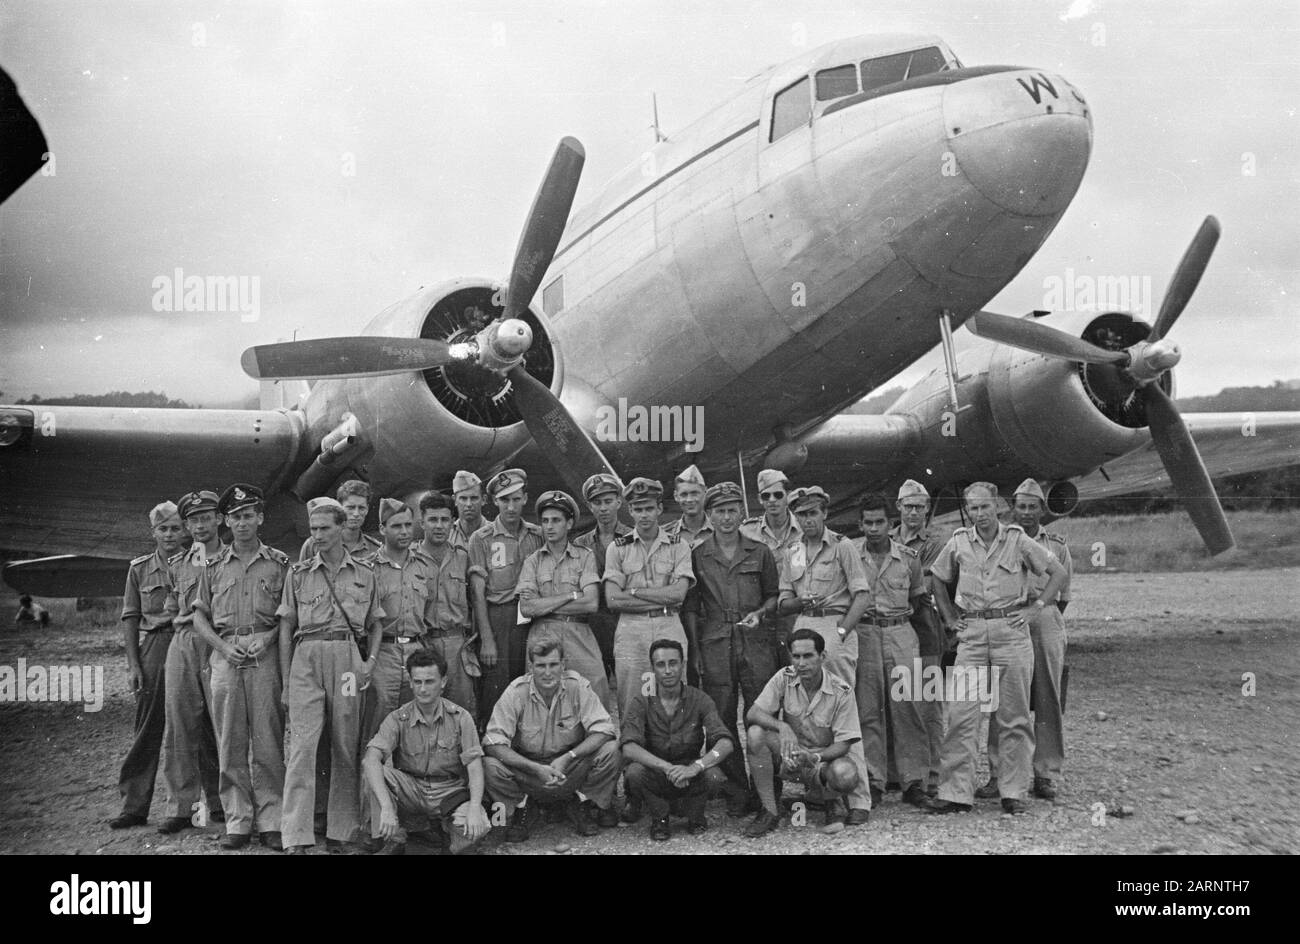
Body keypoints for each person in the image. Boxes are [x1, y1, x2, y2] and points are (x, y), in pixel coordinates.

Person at [925, 482, 1068, 815]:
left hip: (1010, 632)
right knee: (962, 715)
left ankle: (1013, 791)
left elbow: (1057, 573)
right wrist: (948, 617)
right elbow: (937, 578)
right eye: (973, 508)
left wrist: (1036, 607)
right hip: (972, 634)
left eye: (985, 507)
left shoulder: (1018, 539)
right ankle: (955, 793)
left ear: (998, 507)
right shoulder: (959, 541)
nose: (980, 515)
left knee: (1013, 715)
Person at [277, 496, 385, 853]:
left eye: (325, 528)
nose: (318, 535)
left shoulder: (365, 573)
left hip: (347, 659)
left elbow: (376, 624)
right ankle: (296, 835)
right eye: (314, 529)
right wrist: (283, 678)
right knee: (302, 748)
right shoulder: (297, 573)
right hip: (306, 657)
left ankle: (342, 830)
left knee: (345, 744)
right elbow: (286, 627)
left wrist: (368, 664)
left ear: (342, 528)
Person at [190, 484, 290, 850]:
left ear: (260, 518)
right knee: (230, 742)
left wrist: (268, 638)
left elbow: (288, 615)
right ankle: (238, 820)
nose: (242, 522)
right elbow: (199, 618)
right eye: (236, 516)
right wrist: (221, 646)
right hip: (226, 654)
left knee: (267, 740)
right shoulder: (212, 565)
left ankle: (272, 819)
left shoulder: (279, 563)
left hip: (263, 653)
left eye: (249, 515)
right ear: (226, 522)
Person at [682, 480, 779, 814]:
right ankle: (738, 792)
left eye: (731, 510)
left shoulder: (759, 551)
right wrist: (695, 651)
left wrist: (760, 613)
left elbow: (773, 595)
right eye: (719, 511)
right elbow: (692, 608)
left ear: (742, 512)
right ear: (709, 515)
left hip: (755, 644)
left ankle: (769, 794)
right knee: (721, 720)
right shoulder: (698, 555)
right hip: (715, 643)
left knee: (762, 717)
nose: (726, 517)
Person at [978, 479, 1073, 801]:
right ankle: (998, 772)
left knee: (1048, 698)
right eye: (1022, 506)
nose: (1027, 513)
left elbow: (1063, 593)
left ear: (1042, 510)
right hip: (1006, 620)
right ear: (1012, 509)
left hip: (1043, 620)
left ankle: (1046, 772)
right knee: (1002, 700)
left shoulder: (1057, 545)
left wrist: (1037, 610)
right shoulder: (1001, 540)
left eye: (1034, 507)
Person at [482, 630, 621, 840]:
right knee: (490, 765)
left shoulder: (577, 686)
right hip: (530, 771)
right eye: (541, 665)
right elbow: (492, 743)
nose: (548, 672)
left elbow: (604, 729)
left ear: (563, 665)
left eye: (553, 665)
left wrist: (569, 757)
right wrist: (535, 768)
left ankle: (582, 801)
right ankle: (523, 806)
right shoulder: (515, 692)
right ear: (531, 668)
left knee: (612, 750)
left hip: (569, 768)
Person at [362, 648, 491, 855]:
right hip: (412, 789)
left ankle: (444, 842)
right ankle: (396, 840)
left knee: (478, 827)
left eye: (429, 681)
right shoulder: (398, 718)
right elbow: (371, 760)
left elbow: (474, 766)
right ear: (411, 683)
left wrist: (475, 807)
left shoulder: (460, 717)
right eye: (418, 682)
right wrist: (386, 807)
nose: (423, 689)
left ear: (443, 682)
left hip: (449, 791)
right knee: (374, 772)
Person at [743, 628, 871, 836]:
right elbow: (753, 713)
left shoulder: (842, 691)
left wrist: (814, 757)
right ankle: (769, 809)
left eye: (808, 656)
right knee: (755, 733)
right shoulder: (784, 677)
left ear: (823, 657)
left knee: (845, 773)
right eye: (796, 656)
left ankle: (831, 800)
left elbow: (844, 743)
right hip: (790, 755)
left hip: (821, 761)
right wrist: (782, 726)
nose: (801, 663)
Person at [852, 491, 933, 808]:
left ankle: (914, 782)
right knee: (868, 709)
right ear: (860, 524)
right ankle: (873, 780)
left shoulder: (908, 558)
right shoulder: (851, 555)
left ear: (890, 523)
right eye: (868, 522)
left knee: (908, 708)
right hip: (866, 634)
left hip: (900, 633)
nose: (873, 528)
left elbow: (919, 602)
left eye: (879, 522)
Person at [109, 501, 183, 829]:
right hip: (155, 645)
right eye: (163, 529)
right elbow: (130, 616)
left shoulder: (198, 563)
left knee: (201, 724)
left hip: (191, 640)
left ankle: (215, 804)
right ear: (152, 532)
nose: (169, 535)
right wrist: (134, 665)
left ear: (184, 530)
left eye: (175, 528)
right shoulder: (139, 568)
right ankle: (134, 806)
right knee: (148, 726)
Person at [156, 489, 225, 835]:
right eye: (193, 520)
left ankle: (225, 802)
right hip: (184, 642)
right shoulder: (177, 564)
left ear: (219, 519)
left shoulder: (231, 558)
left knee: (225, 727)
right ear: (186, 525)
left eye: (206, 517)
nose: (200, 525)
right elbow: (172, 606)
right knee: (180, 725)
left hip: (219, 642)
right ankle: (181, 806)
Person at [620, 639, 733, 841]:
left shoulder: (700, 699)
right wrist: (665, 767)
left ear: (682, 664)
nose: (668, 670)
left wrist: (696, 767)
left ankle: (695, 814)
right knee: (634, 773)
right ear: (653, 669)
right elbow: (628, 747)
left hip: (690, 772)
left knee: (714, 775)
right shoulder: (641, 701)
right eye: (661, 665)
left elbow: (725, 743)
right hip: (656, 772)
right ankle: (660, 818)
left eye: (673, 663)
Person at [604, 477, 694, 717]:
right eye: (638, 509)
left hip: (669, 624)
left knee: (673, 691)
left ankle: (674, 751)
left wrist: (633, 592)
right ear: (630, 511)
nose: (644, 515)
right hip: (631, 630)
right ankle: (634, 750)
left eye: (649, 508)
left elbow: (678, 595)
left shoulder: (679, 546)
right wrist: (660, 596)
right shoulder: (618, 548)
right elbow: (613, 599)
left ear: (659, 509)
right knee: (632, 696)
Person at [775, 486, 871, 686]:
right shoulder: (793, 552)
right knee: (803, 695)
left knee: (838, 693)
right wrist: (798, 602)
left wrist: (842, 633)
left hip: (834, 625)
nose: (807, 520)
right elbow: (783, 604)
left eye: (813, 513)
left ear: (824, 513)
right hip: (803, 627)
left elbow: (862, 596)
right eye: (801, 514)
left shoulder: (842, 546)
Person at [516, 490, 607, 703]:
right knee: (542, 695)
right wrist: (572, 595)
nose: (549, 526)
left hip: (578, 633)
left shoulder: (584, 557)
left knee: (595, 686)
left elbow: (591, 603)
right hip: (543, 633)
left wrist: (544, 604)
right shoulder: (533, 561)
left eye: (556, 520)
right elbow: (527, 609)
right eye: (545, 521)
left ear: (569, 523)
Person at [468, 468, 543, 717]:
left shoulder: (537, 535)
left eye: (515, 499)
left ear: (525, 498)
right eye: (504, 500)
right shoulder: (482, 538)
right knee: (496, 688)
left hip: (532, 618)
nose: (510, 507)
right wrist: (487, 639)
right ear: (494, 501)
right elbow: (478, 593)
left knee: (529, 683)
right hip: (499, 618)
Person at [360, 499, 433, 749]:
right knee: (377, 723)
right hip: (383, 654)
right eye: (396, 526)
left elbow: (430, 614)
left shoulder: (423, 566)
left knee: (413, 725)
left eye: (408, 525)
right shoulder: (368, 568)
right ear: (382, 529)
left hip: (416, 652)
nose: (404, 532)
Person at [891, 478, 948, 795]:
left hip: (923, 627)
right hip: (894, 629)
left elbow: (922, 584)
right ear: (898, 507)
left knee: (927, 704)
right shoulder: (885, 538)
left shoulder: (937, 543)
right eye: (908, 506)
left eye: (920, 507)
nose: (914, 512)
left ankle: (932, 771)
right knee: (898, 700)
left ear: (928, 510)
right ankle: (900, 770)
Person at [416, 491, 478, 721]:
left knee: (462, 709)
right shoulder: (411, 558)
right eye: (433, 520)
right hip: (423, 643)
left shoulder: (463, 557)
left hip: (457, 644)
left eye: (444, 520)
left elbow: (477, 599)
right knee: (424, 709)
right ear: (421, 522)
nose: (439, 526)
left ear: (453, 522)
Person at [572, 472, 631, 685]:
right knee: (594, 689)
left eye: (608, 501)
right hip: (593, 626)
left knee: (629, 686)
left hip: (625, 622)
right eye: (597, 502)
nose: (603, 508)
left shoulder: (633, 539)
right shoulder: (580, 543)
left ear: (618, 502)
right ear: (590, 506)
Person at [741, 467, 802, 664]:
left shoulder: (804, 529)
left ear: (788, 496)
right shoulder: (747, 532)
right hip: (762, 615)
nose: (772, 500)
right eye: (766, 496)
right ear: (759, 499)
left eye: (778, 494)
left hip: (795, 613)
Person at [297, 479, 381, 561]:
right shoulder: (314, 545)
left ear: (367, 509)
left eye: (361, 508)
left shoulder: (375, 549)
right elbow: (301, 574)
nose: (356, 514)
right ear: (339, 507)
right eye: (350, 508)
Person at [663, 464, 713, 548]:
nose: (689, 499)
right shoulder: (665, 534)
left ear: (705, 492)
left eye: (694, 493)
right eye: (684, 494)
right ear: (676, 496)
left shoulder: (720, 531)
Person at [449, 470, 487, 551]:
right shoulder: (447, 535)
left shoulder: (495, 533)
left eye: (474, 498)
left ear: (483, 500)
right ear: (455, 500)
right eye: (463, 498)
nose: (469, 504)